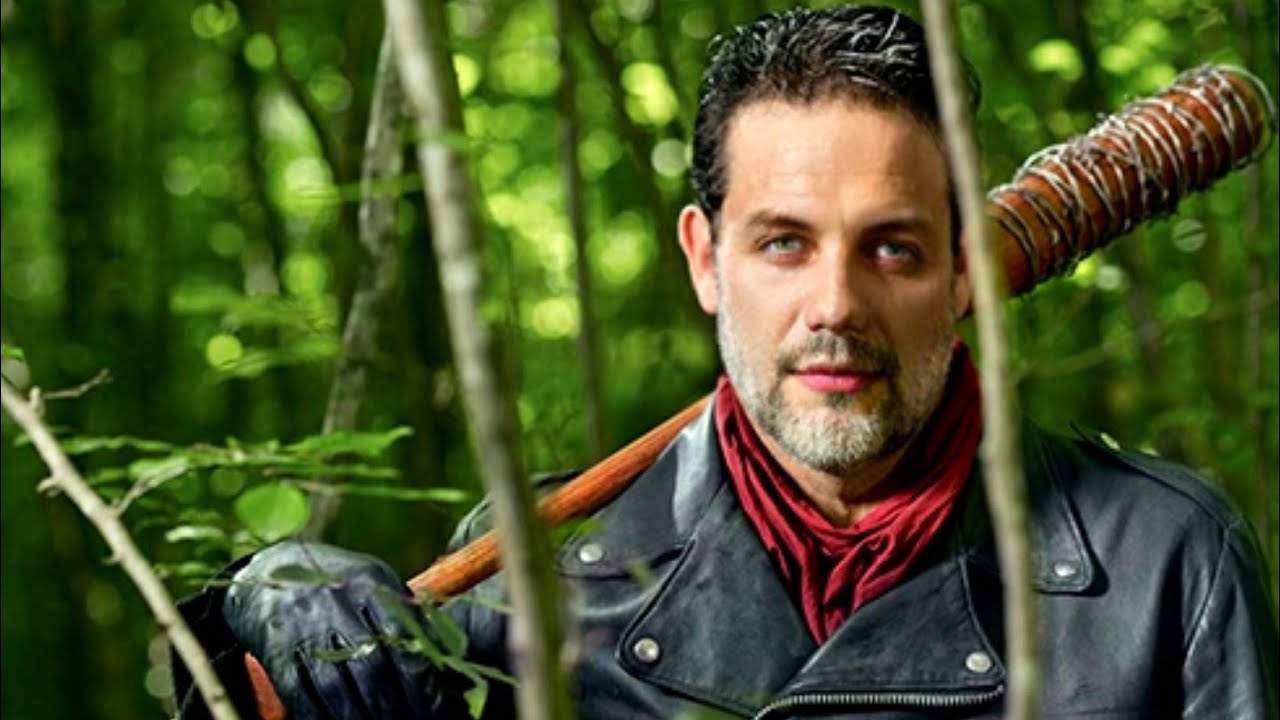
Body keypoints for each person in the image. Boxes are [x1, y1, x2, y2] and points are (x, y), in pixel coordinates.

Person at [174, 5, 1278, 719]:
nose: (834, 306)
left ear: (957, 272)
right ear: (706, 260)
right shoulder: (541, 581)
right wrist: (262, 601)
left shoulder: (1163, 565)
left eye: (891, 248)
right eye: (784, 244)